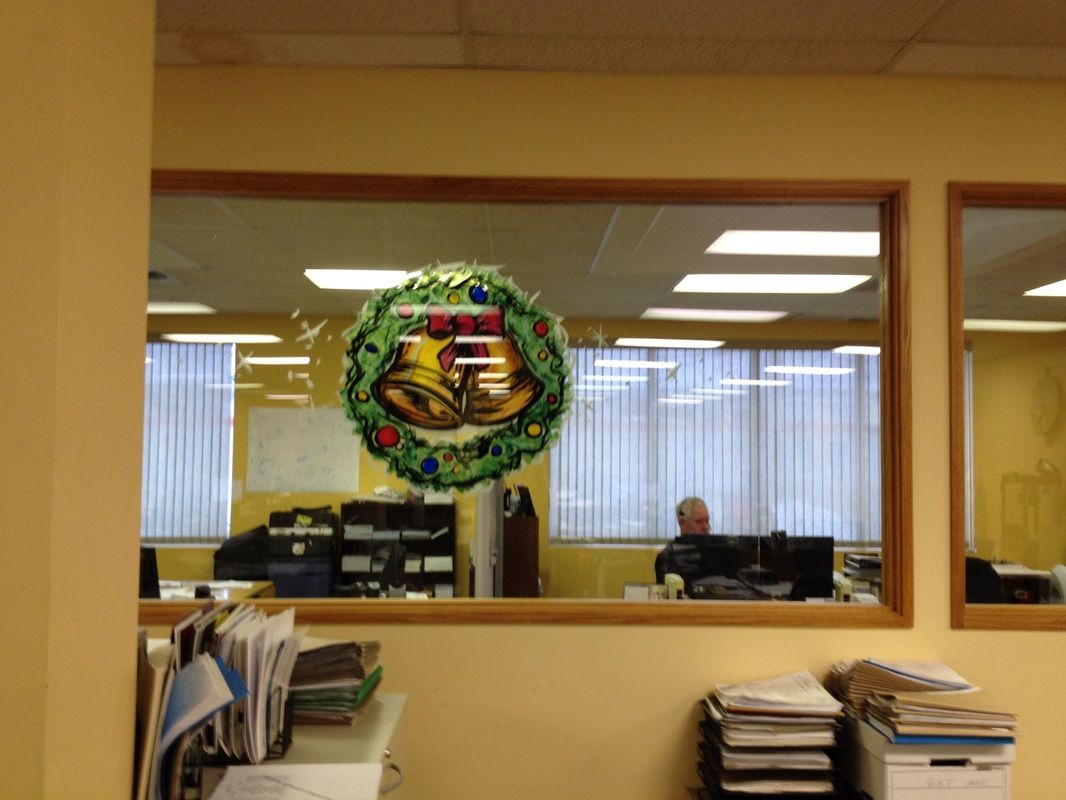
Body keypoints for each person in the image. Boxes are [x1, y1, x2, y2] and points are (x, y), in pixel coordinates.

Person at [654, 496, 711, 583]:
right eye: (699, 522)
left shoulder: (717, 552)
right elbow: (666, 593)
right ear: (683, 523)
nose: (705, 527)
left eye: (707, 521)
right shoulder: (669, 556)